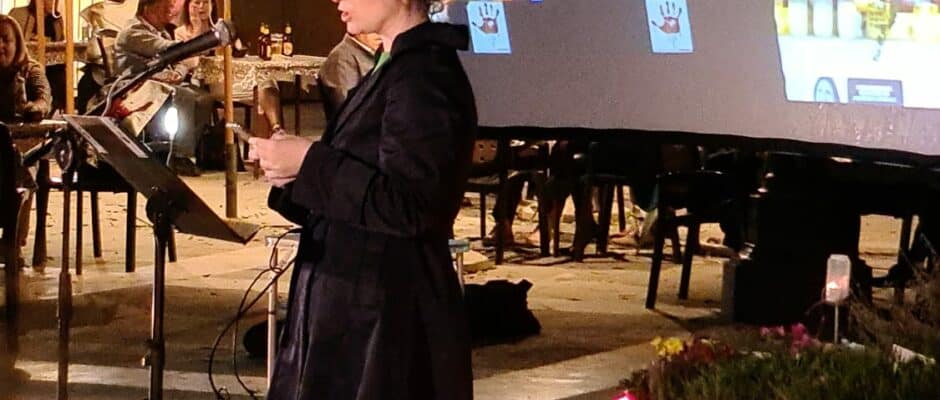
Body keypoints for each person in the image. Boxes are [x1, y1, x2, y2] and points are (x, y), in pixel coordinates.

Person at [249, 0, 477, 397]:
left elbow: (411, 205)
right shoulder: (391, 67)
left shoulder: (425, 75)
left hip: (387, 321)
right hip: (353, 308)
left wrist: (309, 162)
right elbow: (358, 184)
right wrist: (292, 172)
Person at [113, 0, 216, 175]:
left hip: (162, 83)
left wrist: (178, 73)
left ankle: (187, 150)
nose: (170, 8)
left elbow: (180, 62)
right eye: (164, 4)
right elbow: (167, 49)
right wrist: (201, 42)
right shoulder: (133, 31)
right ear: (148, 8)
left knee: (204, 98)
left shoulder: (160, 31)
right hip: (135, 84)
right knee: (184, 95)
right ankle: (178, 155)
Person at [174, 0, 285, 136]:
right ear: (188, 6)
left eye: (205, 2)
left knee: (266, 82)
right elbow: (189, 63)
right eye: (196, 3)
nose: (201, 7)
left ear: (212, 5)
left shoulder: (220, 28)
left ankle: (276, 129)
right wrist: (197, 30)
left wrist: (237, 45)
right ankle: (262, 138)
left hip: (233, 77)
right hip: (212, 83)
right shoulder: (181, 33)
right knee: (260, 90)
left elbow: (239, 49)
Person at [0, 14, 51, 263]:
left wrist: (33, 108)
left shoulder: (31, 69)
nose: (0, 45)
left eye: (5, 39)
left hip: (24, 144)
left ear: (17, 42)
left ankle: (12, 240)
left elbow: (44, 99)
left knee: (21, 169)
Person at [8, 0, 67, 111]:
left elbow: (60, 43)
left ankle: (57, 108)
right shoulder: (19, 14)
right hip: (27, 62)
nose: (54, 3)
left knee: (61, 73)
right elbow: (13, 40)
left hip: (52, 64)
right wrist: (33, 38)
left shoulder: (57, 20)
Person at [318, 32, 381, 123]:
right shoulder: (341, 59)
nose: (379, 34)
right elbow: (347, 112)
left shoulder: (378, 52)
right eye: (373, 28)